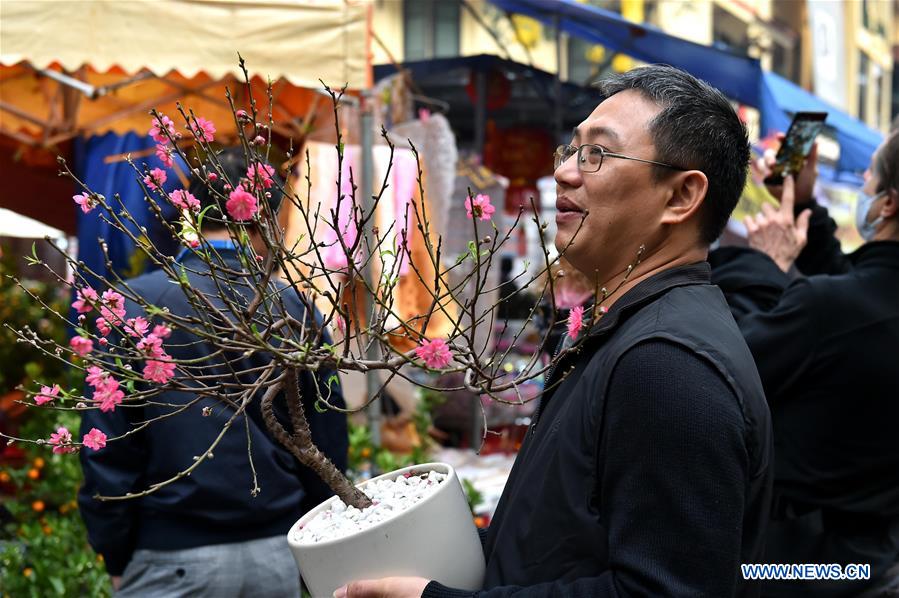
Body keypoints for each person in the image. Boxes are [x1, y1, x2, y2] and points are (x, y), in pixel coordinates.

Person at [337, 64, 772, 597]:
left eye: (599, 154)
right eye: (571, 151)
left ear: (681, 196)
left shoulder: (667, 363)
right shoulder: (627, 328)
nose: (565, 173)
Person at [78, 148, 349, 597]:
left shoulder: (132, 303)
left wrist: (114, 550)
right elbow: (326, 434)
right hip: (276, 552)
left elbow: (106, 444)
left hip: (171, 553)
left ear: (193, 208)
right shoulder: (293, 308)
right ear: (271, 220)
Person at [710, 132, 899, 597]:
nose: (863, 180)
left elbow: (720, 361)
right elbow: (858, 298)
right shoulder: (858, 303)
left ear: (889, 203)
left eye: (870, 173)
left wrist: (765, 268)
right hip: (870, 560)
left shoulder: (832, 308)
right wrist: (807, 202)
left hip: (791, 568)